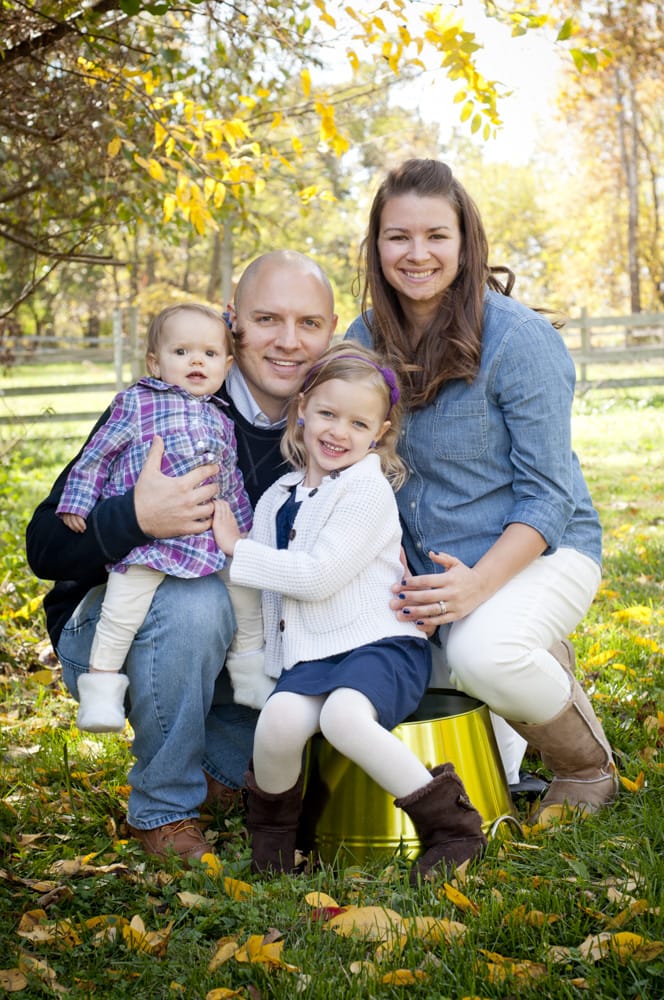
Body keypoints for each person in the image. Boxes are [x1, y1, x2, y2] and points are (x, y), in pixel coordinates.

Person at [25, 250, 338, 866]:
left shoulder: (333, 421)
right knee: (196, 601)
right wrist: (136, 517)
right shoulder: (162, 402)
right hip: (116, 629)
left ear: (331, 331)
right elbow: (45, 546)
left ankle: (219, 767)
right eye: (267, 319)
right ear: (233, 324)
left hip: (247, 646)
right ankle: (164, 808)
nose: (288, 341)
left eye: (309, 323)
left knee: (326, 725)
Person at [346, 158, 618, 826]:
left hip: (542, 554)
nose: (417, 253)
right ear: (375, 246)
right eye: (397, 236)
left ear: (465, 242)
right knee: (420, 714)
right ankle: (528, 658)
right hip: (427, 573)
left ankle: (588, 767)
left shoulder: (519, 340)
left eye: (436, 235)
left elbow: (548, 498)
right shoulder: (362, 341)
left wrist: (475, 590)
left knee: (481, 653)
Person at [213, 343, 487, 881]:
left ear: (379, 434)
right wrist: (253, 658)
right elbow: (256, 591)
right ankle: (276, 849)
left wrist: (236, 550)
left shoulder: (366, 490)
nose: (339, 432)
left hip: (379, 645)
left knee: (342, 717)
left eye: (358, 423)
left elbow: (316, 577)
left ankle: (453, 830)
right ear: (302, 410)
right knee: (277, 723)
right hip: (310, 655)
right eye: (327, 414)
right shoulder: (277, 497)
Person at [55, 302, 273, 733]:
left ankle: (250, 674)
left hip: (207, 541)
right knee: (123, 607)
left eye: (209, 354)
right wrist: (78, 503)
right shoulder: (135, 403)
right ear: (155, 362)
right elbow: (97, 457)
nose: (196, 361)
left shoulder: (220, 419)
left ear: (226, 366)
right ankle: (100, 692)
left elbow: (228, 484)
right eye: (182, 352)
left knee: (246, 595)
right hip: (148, 544)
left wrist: (242, 534)